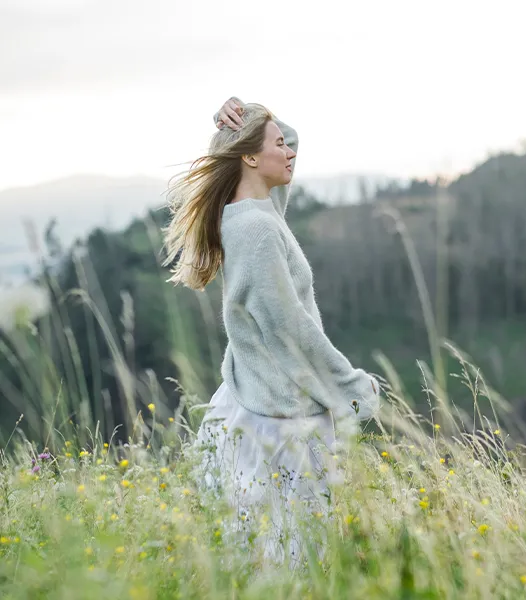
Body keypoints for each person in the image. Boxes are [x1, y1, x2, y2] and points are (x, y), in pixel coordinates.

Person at [162, 96, 381, 568]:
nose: (291, 153)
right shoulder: (258, 230)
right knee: (292, 562)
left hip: (253, 403)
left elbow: (288, 143)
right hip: (281, 424)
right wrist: (351, 389)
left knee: (261, 556)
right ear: (250, 158)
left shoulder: (254, 210)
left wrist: (246, 113)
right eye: (277, 145)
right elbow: (288, 328)